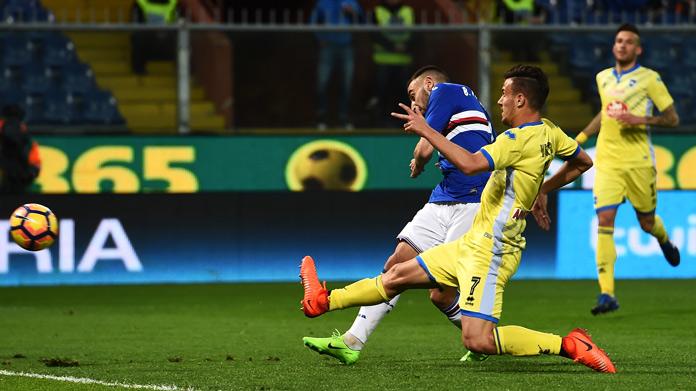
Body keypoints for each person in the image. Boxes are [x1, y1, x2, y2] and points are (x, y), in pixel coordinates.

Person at [300, 65, 616, 373]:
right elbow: (582, 161)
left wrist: (425, 130)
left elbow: (469, 164)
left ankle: (568, 345)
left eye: (505, 94)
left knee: (477, 340)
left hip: (493, 251)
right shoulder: (550, 131)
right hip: (471, 243)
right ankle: (322, 301)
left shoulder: (514, 141)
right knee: (397, 275)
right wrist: (539, 190)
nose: (499, 101)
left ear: (520, 100)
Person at [302, 66, 495, 364]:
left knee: (441, 293)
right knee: (397, 263)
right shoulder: (460, 105)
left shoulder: (446, 91)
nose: (414, 101)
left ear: (429, 84)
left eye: (412, 93)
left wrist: (417, 161)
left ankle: (486, 342)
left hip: (475, 202)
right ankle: (352, 341)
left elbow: (424, 149)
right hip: (445, 197)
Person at [574, 24, 680, 316]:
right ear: (613, 46)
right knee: (605, 220)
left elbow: (672, 119)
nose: (622, 45)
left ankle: (662, 238)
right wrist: (581, 139)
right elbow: (604, 113)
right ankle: (607, 293)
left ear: (638, 49)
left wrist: (640, 119)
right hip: (607, 161)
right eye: (618, 41)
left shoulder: (649, 79)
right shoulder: (603, 77)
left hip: (639, 163)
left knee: (646, 222)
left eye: (628, 42)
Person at [310, 0, 363, 131]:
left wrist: (352, 13)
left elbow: (363, 22)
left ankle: (344, 119)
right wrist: (319, 38)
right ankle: (321, 119)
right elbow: (312, 23)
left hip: (347, 46)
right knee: (322, 83)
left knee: (346, 84)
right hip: (327, 47)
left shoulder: (352, 2)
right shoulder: (322, 3)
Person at [367, 0, 414, 127]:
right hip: (383, 61)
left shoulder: (407, 11)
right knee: (381, 93)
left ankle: (402, 125)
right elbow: (374, 34)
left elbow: (415, 34)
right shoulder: (377, 12)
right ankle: (380, 123)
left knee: (403, 95)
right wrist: (393, 46)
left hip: (403, 61)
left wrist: (407, 46)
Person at [0, 104, 41, 193]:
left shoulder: (4, 126)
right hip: (21, 174)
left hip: (14, 174)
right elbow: (35, 161)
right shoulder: (24, 132)